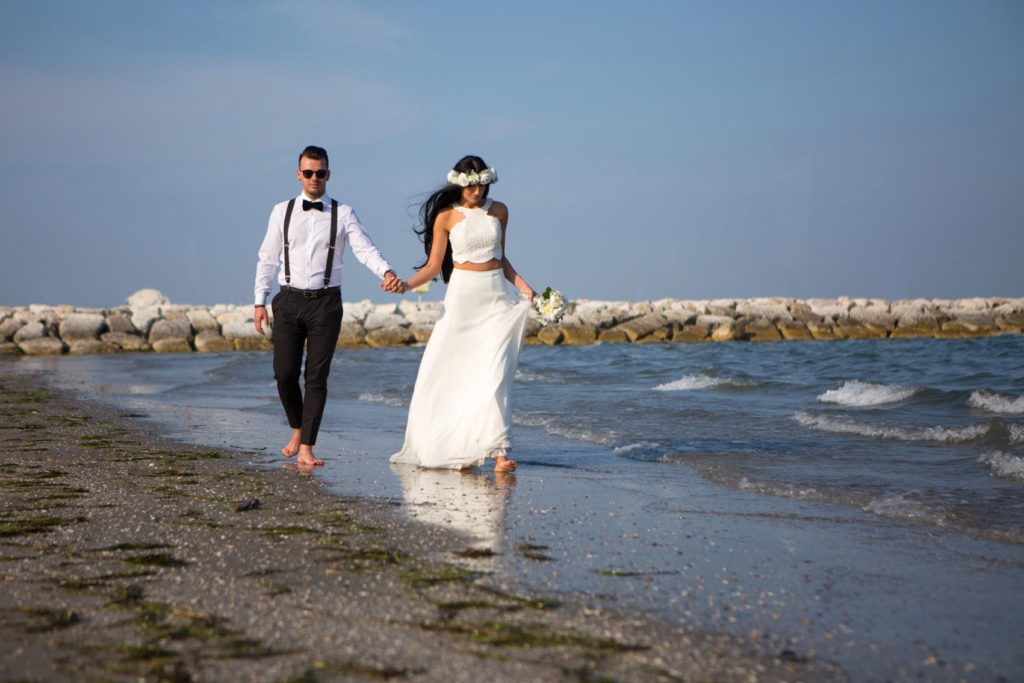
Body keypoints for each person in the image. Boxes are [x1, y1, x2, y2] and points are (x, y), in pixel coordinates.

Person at [254, 145, 405, 469]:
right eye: (308, 173)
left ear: (328, 175)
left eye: (320, 173)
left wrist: (388, 272)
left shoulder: (344, 213)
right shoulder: (282, 211)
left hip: (326, 303)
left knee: (316, 378)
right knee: (284, 374)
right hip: (289, 299)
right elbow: (268, 258)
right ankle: (298, 428)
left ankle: (306, 446)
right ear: (299, 174)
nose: (314, 178)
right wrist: (259, 301)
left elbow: (366, 250)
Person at [390, 155, 537, 472]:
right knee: (452, 371)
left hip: (496, 295)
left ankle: (499, 453)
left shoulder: (500, 211)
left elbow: (502, 258)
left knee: (495, 372)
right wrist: (405, 285)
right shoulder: (446, 217)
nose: (477, 190)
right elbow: (432, 267)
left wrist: (526, 288)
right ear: (460, 183)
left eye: (482, 183)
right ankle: (459, 444)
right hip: (463, 299)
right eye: (471, 184)